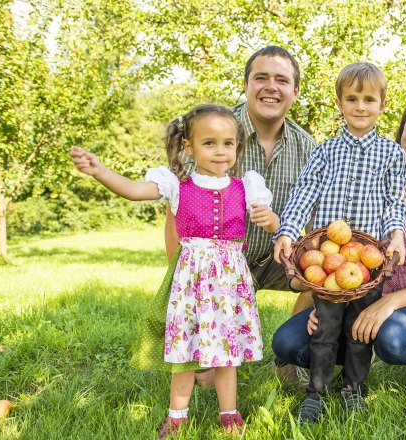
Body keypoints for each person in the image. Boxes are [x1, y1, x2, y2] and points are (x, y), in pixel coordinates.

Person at [70, 104, 277, 437]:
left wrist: (271, 221)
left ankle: (230, 413)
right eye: (209, 143)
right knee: (186, 350)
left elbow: (272, 223)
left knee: (228, 355)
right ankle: (177, 415)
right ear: (188, 146)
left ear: (237, 146)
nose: (220, 151)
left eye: (228, 143)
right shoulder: (178, 185)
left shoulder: (247, 186)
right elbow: (134, 191)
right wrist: (100, 171)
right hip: (192, 283)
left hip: (228, 285)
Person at [271, 91, 406, 397]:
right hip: (363, 295)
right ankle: (348, 367)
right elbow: (342, 253)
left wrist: (389, 303)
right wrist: (328, 299)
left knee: (394, 337)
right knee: (289, 343)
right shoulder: (369, 183)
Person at [165, 46, 318, 388]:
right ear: (246, 84)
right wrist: (177, 273)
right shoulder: (217, 129)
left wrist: (309, 256)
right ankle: (205, 359)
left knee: (317, 275)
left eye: (282, 79)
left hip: (278, 257)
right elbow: (178, 205)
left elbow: (312, 217)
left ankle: (287, 361)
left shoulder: (306, 146)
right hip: (218, 260)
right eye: (261, 77)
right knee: (205, 382)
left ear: (295, 91)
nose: (271, 86)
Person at [273, 62, 406, 422]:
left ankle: (354, 390)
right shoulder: (325, 151)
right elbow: (305, 192)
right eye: (352, 99)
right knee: (325, 328)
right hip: (327, 260)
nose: (360, 106)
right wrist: (288, 230)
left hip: (369, 262)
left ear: (382, 104)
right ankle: (315, 392)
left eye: (368, 99)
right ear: (340, 103)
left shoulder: (393, 154)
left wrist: (396, 235)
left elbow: (397, 202)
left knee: (358, 331)